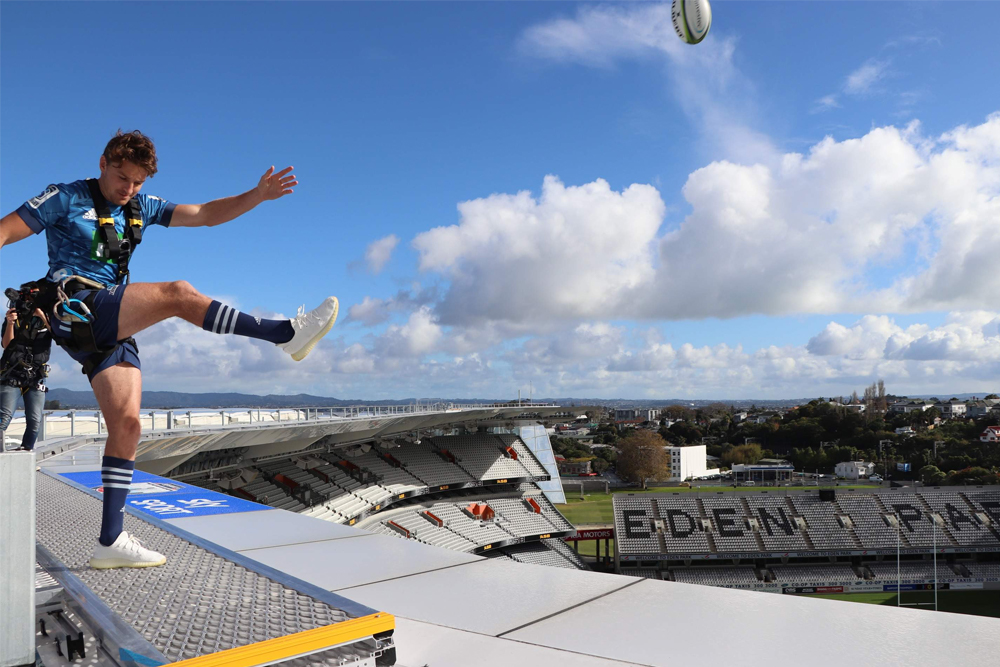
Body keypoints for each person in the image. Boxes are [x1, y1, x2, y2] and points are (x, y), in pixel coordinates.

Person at [0, 130, 338, 569]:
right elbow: (5, 231)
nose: (129, 189)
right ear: (102, 163)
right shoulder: (64, 197)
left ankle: (110, 541)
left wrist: (257, 195)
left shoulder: (141, 206)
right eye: (122, 177)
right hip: (77, 305)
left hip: (107, 326)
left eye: (137, 181)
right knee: (179, 293)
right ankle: (284, 334)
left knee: (127, 425)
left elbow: (204, 215)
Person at [0, 304, 52, 451]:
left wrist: (42, 316)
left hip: (36, 375)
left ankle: (26, 450)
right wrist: (10, 323)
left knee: (35, 420)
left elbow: (59, 336)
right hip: (12, 373)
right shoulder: (14, 318)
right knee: (4, 418)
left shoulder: (47, 320)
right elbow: (7, 345)